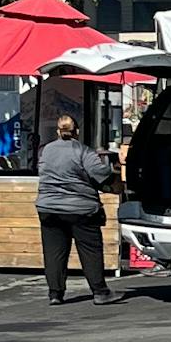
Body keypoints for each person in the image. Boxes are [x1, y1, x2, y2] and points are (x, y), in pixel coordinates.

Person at [36, 113, 126, 306]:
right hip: (81, 209)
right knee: (90, 250)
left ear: (58, 132)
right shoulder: (83, 151)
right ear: (76, 131)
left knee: (54, 252)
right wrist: (116, 175)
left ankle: (55, 294)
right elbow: (100, 174)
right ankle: (100, 292)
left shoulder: (46, 151)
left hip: (48, 207)